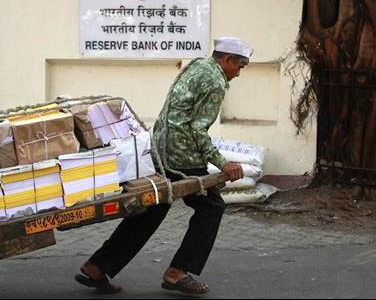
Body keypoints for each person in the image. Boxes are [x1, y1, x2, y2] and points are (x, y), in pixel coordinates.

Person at [74, 37, 253, 295]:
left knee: (153, 208)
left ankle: (98, 266)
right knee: (212, 207)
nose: (238, 73)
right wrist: (223, 162)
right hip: (183, 155)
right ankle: (178, 272)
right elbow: (197, 128)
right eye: (240, 67)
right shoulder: (215, 81)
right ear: (226, 60)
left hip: (161, 147)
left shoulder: (197, 66)